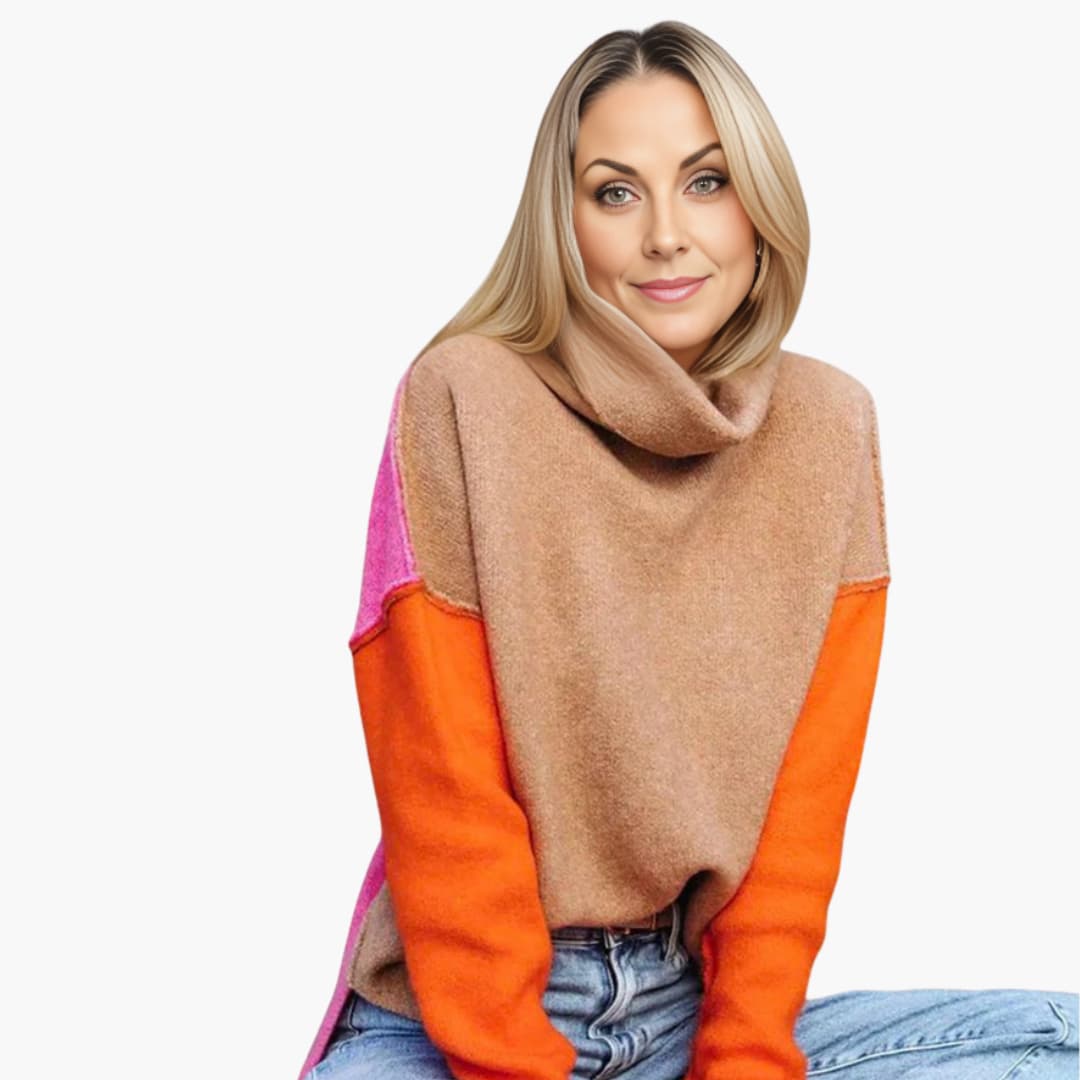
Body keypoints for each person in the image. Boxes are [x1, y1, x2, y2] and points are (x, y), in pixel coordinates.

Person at [297, 20, 1078, 1080]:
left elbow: (799, 818)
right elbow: (445, 800)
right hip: (454, 1024)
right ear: (563, 225)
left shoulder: (829, 426)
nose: (667, 234)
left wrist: (743, 1061)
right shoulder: (464, 395)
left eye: (706, 182)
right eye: (616, 192)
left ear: (759, 207)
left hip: (682, 1013)